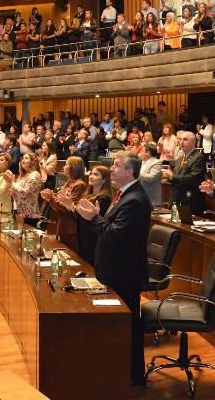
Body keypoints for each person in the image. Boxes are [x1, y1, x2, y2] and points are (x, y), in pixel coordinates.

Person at [74, 152, 151, 387]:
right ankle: (121, 370)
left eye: (117, 165)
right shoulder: (123, 195)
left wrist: (93, 218)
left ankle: (133, 375)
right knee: (121, 323)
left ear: (130, 171)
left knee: (127, 323)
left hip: (124, 271)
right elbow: (108, 228)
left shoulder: (135, 200)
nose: (112, 169)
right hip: (115, 268)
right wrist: (93, 217)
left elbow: (116, 234)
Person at [40, 156, 87, 251]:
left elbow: (67, 208)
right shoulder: (68, 182)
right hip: (62, 224)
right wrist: (50, 198)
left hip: (71, 227)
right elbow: (59, 205)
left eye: (66, 164)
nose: (63, 167)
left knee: (70, 254)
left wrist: (51, 197)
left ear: (73, 167)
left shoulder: (79, 185)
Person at [161, 131, 206, 214]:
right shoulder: (180, 159)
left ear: (193, 143)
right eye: (180, 139)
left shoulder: (198, 158)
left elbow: (193, 179)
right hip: (176, 200)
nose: (181, 142)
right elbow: (176, 178)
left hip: (189, 203)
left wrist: (172, 176)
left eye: (185, 139)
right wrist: (167, 176)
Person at [10, 153, 44, 227]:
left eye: (26, 158)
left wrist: (12, 183)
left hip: (30, 214)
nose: (23, 160)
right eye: (23, 158)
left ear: (32, 162)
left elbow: (24, 193)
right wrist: (11, 185)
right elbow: (14, 193)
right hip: (19, 212)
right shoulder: (23, 175)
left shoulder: (35, 175)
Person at [138, 143, 163, 208]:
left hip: (152, 200)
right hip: (142, 197)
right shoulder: (143, 162)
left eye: (142, 151)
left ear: (148, 153)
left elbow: (151, 178)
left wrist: (137, 173)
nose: (140, 153)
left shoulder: (157, 162)